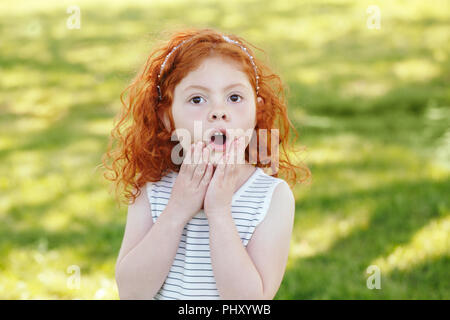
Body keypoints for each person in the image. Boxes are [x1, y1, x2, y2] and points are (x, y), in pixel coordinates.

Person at [102, 27, 310, 299]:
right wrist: (176, 210)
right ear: (168, 118)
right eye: (197, 99)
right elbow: (131, 293)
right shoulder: (152, 188)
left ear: (256, 110)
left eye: (234, 98)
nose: (218, 112)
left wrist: (220, 213)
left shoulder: (271, 197)